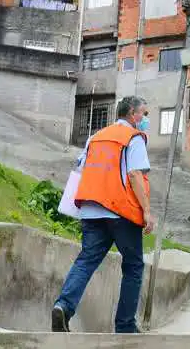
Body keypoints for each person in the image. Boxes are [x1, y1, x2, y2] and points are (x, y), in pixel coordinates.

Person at [51, 96, 156, 334]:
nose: (145, 119)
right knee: (133, 266)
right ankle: (125, 325)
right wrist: (147, 211)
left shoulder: (95, 138)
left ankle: (63, 306)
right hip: (120, 210)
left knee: (87, 260)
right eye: (144, 114)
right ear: (132, 114)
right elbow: (135, 175)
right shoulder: (133, 138)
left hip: (91, 209)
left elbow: (80, 168)